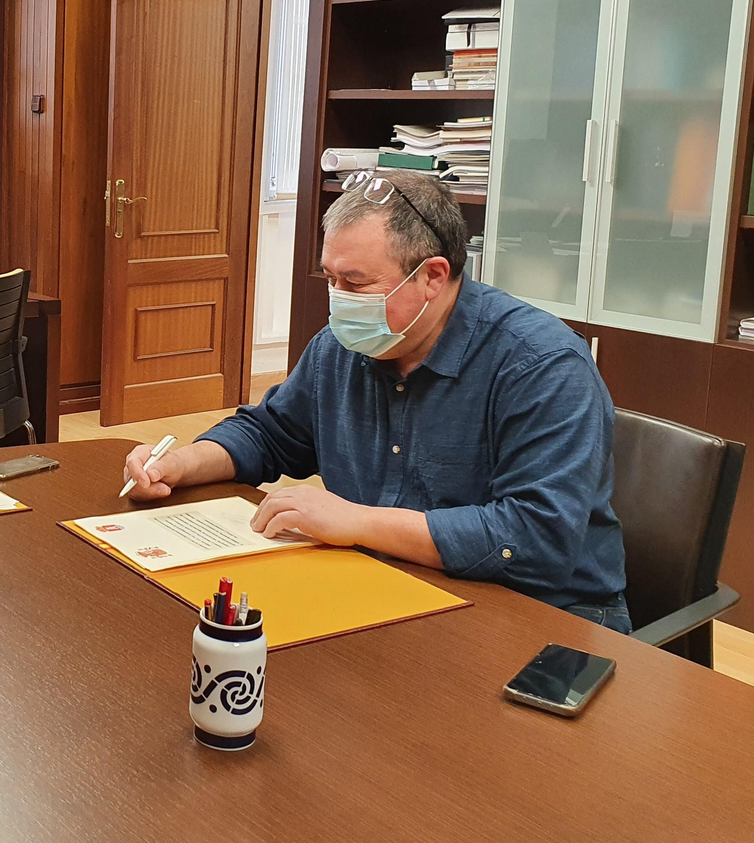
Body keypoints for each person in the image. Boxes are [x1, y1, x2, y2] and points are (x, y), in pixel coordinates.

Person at [121, 170, 630, 630]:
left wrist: (357, 521)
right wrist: (180, 464)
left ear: (432, 276)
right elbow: (271, 433)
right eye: (330, 278)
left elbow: (533, 540)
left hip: (544, 616)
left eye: (356, 282)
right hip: (390, 585)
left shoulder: (540, 366)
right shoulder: (345, 345)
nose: (338, 297)